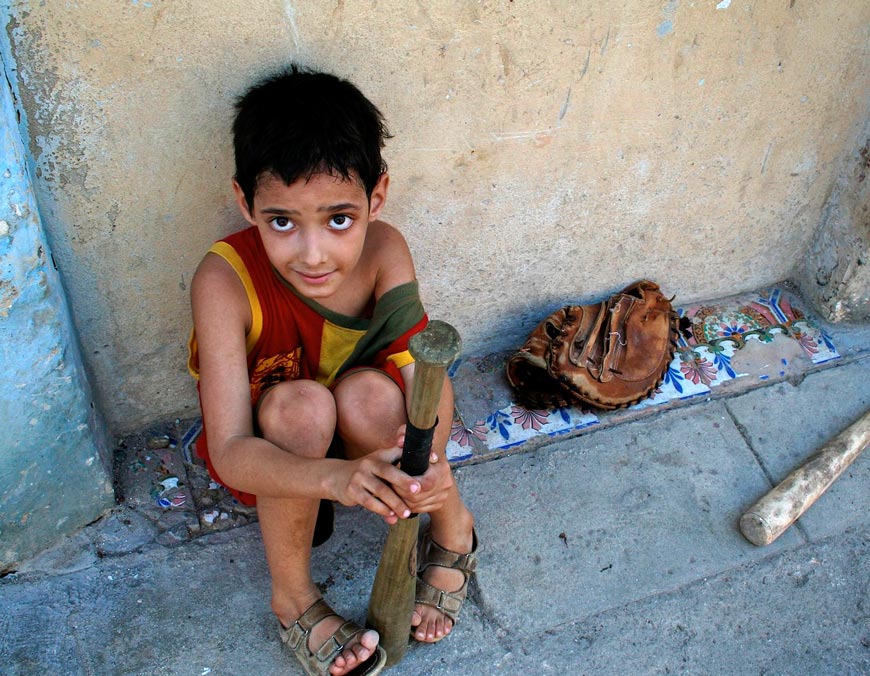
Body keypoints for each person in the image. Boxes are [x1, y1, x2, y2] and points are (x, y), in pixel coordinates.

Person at [187, 65, 476, 676]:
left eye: (339, 218)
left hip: (368, 429)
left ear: (376, 197)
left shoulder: (385, 250)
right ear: (246, 204)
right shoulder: (224, 281)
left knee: (374, 395)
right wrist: (335, 481)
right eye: (282, 221)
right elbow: (232, 450)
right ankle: (293, 598)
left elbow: (426, 378)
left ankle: (454, 529)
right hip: (284, 454)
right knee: (300, 406)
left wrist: (432, 470)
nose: (312, 254)